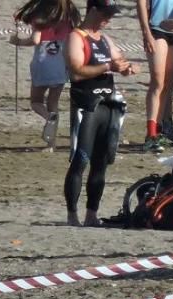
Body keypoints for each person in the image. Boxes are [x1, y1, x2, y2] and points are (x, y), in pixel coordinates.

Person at [63, 0, 137, 226]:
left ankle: (92, 214)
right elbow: (76, 72)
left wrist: (127, 67)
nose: (108, 19)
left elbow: (119, 60)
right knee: (80, 161)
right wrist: (107, 67)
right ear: (93, 10)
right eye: (105, 14)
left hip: (108, 106)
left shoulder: (105, 39)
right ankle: (72, 215)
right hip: (87, 106)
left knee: (101, 163)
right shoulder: (76, 37)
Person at [10, 0, 80, 150]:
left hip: (43, 62)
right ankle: (51, 144)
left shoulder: (40, 14)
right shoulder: (69, 14)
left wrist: (18, 41)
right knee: (53, 103)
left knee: (36, 102)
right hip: (61, 63)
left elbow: (35, 40)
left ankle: (49, 118)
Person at [137, 0, 173, 153]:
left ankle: (159, 129)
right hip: (157, 27)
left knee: (168, 83)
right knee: (158, 81)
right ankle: (151, 134)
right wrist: (146, 31)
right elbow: (141, 3)